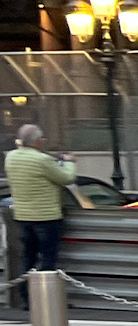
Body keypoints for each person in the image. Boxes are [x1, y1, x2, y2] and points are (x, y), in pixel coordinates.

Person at [5, 122, 76, 301]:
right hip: (46, 216)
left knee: (27, 257)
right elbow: (66, 178)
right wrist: (68, 163)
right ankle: (46, 301)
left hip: (22, 216)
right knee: (48, 259)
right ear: (37, 141)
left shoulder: (11, 157)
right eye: (42, 138)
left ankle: (26, 298)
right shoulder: (42, 160)